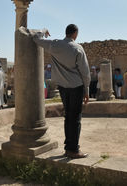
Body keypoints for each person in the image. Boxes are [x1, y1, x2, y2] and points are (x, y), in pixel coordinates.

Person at [33, 24, 90, 159]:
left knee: (68, 116)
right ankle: (73, 149)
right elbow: (85, 72)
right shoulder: (77, 48)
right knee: (75, 118)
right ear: (75, 33)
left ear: (66, 33)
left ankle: (68, 147)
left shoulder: (54, 45)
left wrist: (44, 31)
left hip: (63, 87)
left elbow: (35, 38)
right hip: (76, 86)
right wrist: (86, 90)